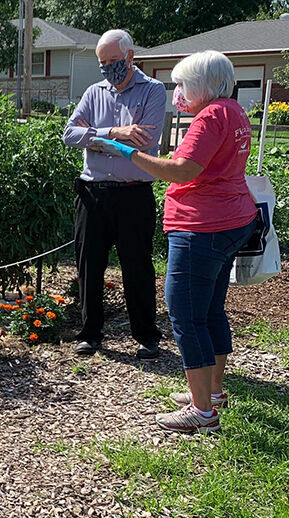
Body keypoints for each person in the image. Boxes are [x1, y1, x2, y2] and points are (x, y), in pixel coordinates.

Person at [90, 50, 258, 435]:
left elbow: (183, 171)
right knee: (212, 309)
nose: (178, 92)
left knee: (186, 314)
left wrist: (132, 155)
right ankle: (212, 393)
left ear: (201, 84)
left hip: (202, 226)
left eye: (182, 84)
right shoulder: (233, 111)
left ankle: (202, 413)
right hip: (231, 219)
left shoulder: (210, 116)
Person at [63, 29, 166, 359]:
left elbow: (145, 142)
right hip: (92, 194)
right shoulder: (95, 92)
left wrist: (96, 141)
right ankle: (90, 334)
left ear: (130, 56)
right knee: (89, 266)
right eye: (102, 63)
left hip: (133, 194)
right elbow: (69, 134)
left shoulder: (152, 91)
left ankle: (146, 336)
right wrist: (115, 134)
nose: (107, 68)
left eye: (113, 61)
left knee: (137, 266)